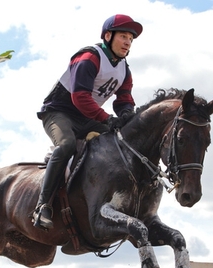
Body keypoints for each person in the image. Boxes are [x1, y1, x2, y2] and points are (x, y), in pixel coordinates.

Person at [32, 14, 143, 230]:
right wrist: (107, 119)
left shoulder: (124, 69)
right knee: (67, 146)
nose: (128, 42)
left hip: (87, 117)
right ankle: (43, 205)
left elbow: (124, 98)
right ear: (108, 36)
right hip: (59, 112)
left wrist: (127, 114)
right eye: (123, 36)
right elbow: (80, 97)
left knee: (120, 143)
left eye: (131, 38)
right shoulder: (89, 57)